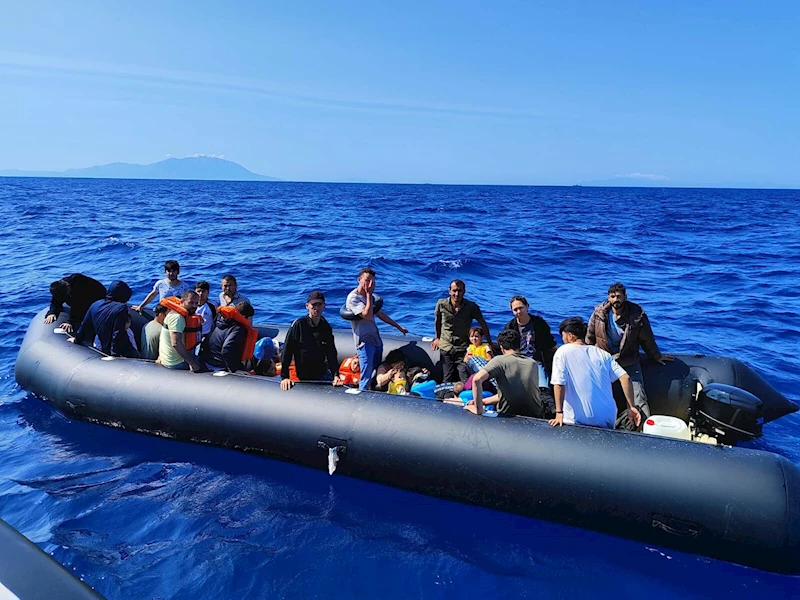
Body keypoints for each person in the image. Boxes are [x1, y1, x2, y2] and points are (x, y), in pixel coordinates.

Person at [585, 282, 673, 419]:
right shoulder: (599, 314)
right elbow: (590, 336)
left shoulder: (637, 315)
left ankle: (641, 430)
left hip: (628, 361)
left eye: (619, 296)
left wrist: (656, 356)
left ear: (625, 297)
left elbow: (647, 339)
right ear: (608, 297)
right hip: (604, 360)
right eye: (613, 296)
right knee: (595, 394)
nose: (616, 300)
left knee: (638, 397)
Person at [550, 317, 641, 429]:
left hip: (579, 419)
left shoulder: (563, 351)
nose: (563, 339)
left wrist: (559, 413)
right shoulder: (602, 354)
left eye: (563, 336)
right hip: (608, 417)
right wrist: (631, 406)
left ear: (570, 336)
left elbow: (559, 384)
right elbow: (626, 378)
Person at [345, 268, 407, 390]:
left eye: (372, 281)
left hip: (376, 339)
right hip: (364, 341)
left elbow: (379, 313)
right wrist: (368, 293)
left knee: (376, 370)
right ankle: (362, 397)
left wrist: (397, 326)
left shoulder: (370, 297)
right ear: (359, 280)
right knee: (366, 375)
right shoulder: (353, 298)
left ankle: (374, 394)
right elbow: (367, 316)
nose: (370, 284)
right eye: (367, 280)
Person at [464, 329, 543, 417]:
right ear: (520, 345)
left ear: (501, 348)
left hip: (508, 414)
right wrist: (483, 401)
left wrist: (478, 409)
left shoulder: (499, 360)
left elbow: (477, 379)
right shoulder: (532, 363)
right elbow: (514, 393)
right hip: (535, 414)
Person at [280, 291, 343, 391]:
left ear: (324, 306)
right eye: (313, 305)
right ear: (307, 306)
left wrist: (336, 375)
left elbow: (331, 352)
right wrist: (285, 377)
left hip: (321, 373)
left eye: (319, 304)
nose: (316, 308)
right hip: (305, 377)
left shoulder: (325, 327)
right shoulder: (299, 325)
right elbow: (287, 351)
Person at [431, 280, 492, 383]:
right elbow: (437, 321)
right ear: (449, 291)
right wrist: (437, 338)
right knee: (447, 376)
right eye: (454, 291)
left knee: (464, 376)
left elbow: (483, 323)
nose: (457, 294)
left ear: (464, 292)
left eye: (460, 291)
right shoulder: (441, 304)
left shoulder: (471, 307)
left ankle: (466, 397)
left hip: (463, 347)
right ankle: (445, 397)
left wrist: (489, 342)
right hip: (446, 345)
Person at [73, 280, 138, 358]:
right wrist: (114, 355)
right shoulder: (121, 308)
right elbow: (117, 333)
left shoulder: (95, 304)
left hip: (102, 347)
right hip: (119, 350)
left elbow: (84, 326)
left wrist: (76, 340)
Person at [502, 296, 557, 380]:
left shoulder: (539, 323)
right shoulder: (510, 327)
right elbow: (506, 346)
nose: (519, 311)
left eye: (521, 308)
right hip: (518, 362)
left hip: (537, 362)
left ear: (527, 306)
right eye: (515, 309)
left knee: (543, 387)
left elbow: (549, 342)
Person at [200, 301, 257, 372]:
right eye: (250, 318)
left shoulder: (220, 321)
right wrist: (234, 370)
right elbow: (226, 349)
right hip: (219, 366)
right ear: (244, 317)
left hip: (208, 361)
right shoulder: (238, 329)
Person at [158, 290, 202, 372]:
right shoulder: (177, 318)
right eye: (191, 303)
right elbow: (175, 343)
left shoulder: (174, 313)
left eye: (196, 303)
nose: (194, 306)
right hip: (176, 362)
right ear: (182, 301)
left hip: (168, 358)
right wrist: (192, 364)